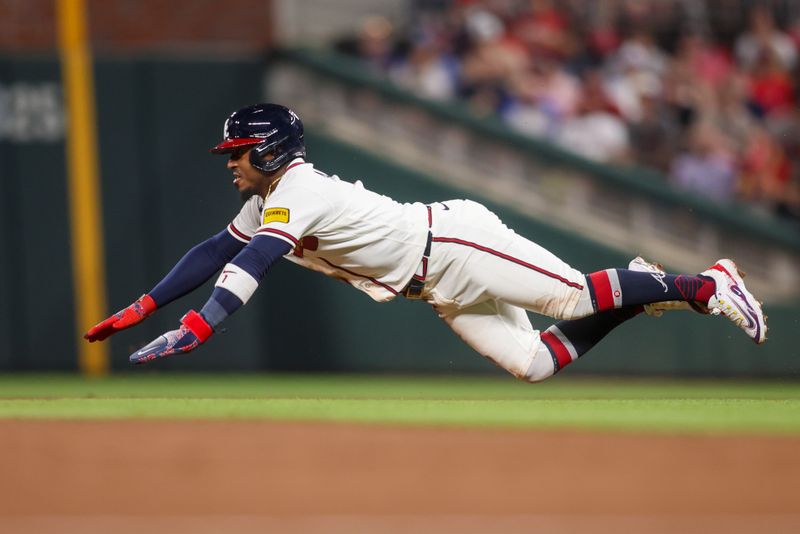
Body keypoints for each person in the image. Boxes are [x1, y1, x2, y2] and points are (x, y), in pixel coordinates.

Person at [84, 104, 767, 381]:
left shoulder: (298, 187)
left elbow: (256, 258)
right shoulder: (267, 199)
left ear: (267, 150)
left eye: (237, 151)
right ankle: (640, 288)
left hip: (454, 244)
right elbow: (216, 252)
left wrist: (199, 326)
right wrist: (145, 306)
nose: (230, 161)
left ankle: (706, 284)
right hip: (434, 284)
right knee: (533, 364)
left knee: (571, 298)